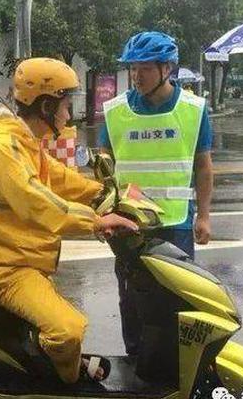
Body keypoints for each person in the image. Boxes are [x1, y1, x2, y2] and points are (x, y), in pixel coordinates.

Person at [0, 57, 139, 384]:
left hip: (24, 260)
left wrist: (105, 193)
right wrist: (95, 221)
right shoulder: (3, 148)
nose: (68, 112)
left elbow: (58, 179)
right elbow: (35, 201)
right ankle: (64, 383)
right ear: (46, 106)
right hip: (5, 270)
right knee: (68, 330)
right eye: (65, 103)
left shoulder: (25, 142)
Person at [99, 31, 214, 355]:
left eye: (144, 69)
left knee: (177, 298)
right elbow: (104, 167)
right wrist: (103, 214)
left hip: (175, 223)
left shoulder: (193, 109)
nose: (136, 76)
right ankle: (137, 362)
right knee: (132, 298)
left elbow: (203, 167)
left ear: (167, 69)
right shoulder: (115, 110)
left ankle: (176, 366)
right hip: (129, 224)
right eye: (132, 68)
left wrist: (204, 217)